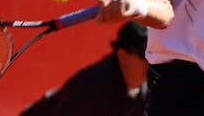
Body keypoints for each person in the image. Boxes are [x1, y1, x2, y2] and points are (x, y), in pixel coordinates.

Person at [20, 20, 148, 116]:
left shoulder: (146, 92)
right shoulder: (92, 84)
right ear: (123, 55)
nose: (152, 64)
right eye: (145, 58)